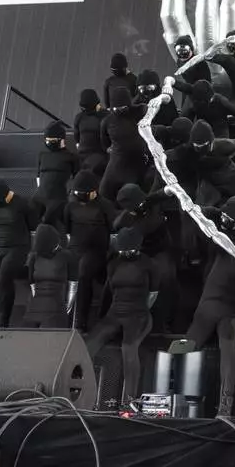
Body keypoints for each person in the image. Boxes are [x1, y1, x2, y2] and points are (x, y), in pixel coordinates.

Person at [167, 222, 235, 418]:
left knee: (225, 344)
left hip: (227, 312)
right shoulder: (226, 253)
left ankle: (225, 404)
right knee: (190, 345)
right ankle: (167, 398)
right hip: (212, 310)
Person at [85, 226, 159, 405]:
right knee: (89, 345)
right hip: (116, 311)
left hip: (139, 313)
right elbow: (110, 290)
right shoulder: (114, 263)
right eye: (122, 250)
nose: (125, 253)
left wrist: (141, 310)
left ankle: (130, 400)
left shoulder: (148, 264)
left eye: (129, 250)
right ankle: (83, 394)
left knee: (129, 348)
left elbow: (153, 293)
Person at [114, 184, 180, 334]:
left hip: (161, 250)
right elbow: (118, 229)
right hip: (141, 252)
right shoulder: (126, 221)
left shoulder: (149, 202)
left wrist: (170, 190)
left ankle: (167, 322)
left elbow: (161, 194)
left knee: (168, 279)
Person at [62, 170, 118, 331]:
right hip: (75, 249)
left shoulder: (105, 205)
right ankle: (64, 318)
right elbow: (67, 231)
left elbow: (113, 231)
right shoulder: (70, 204)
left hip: (97, 251)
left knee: (83, 274)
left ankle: (80, 321)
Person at [0, 178, 38, 328]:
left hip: (17, 248)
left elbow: (33, 230)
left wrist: (30, 253)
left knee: (4, 275)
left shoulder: (22, 204)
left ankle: (4, 318)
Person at [185, 121, 235, 220]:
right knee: (199, 212)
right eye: (196, 146)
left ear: (211, 141)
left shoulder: (225, 145)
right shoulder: (189, 151)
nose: (199, 149)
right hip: (206, 178)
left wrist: (229, 157)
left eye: (203, 145)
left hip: (227, 173)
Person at [100, 87, 150, 204]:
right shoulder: (107, 121)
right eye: (116, 108)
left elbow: (105, 145)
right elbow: (105, 143)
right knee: (105, 192)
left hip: (135, 161)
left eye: (122, 107)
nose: (119, 110)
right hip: (120, 161)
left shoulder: (138, 111)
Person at [22, 224, 72, 328]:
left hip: (56, 305)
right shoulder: (34, 257)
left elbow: (73, 284)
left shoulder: (65, 256)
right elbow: (31, 282)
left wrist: (67, 306)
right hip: (38, 304)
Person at [35, 121, 79, 229]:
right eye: (47, 140)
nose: (49, 142)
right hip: (41, 197)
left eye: (52, 140)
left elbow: (78, 179)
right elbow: (38, 177)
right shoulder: (42, 155)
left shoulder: (71, 157)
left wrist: (71, 195)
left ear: (62, 140)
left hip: (59, 198)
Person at [73, 90, 109, 177]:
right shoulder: (106, 116)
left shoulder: (79, 118)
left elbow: (77, 139)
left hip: (83, 159)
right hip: (101, 158)